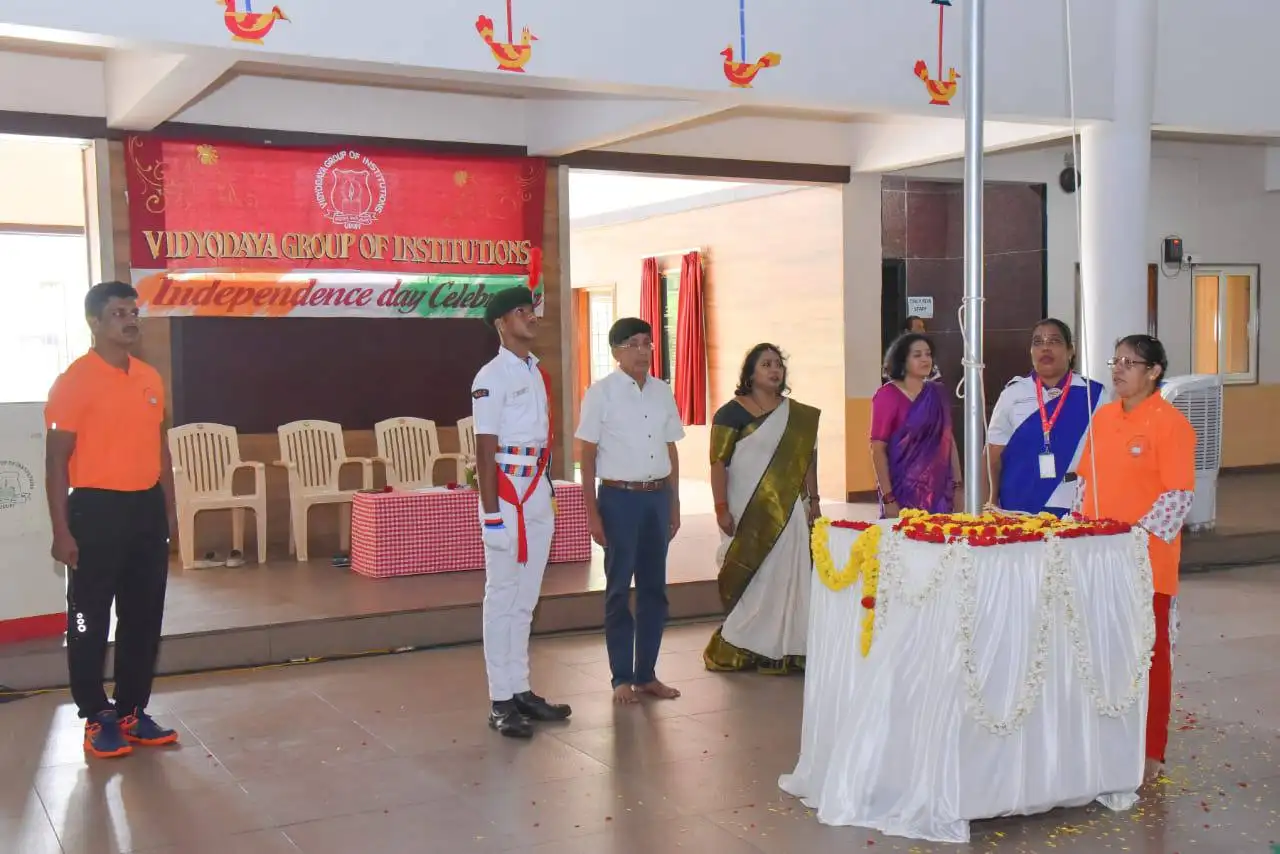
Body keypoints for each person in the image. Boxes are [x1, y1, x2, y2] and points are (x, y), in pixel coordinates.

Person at [44, 280, 180, 759]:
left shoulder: (149, 377)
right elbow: (56, 460)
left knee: (143, 616)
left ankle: (130, 711)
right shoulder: (74, 381)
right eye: (119, 312)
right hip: (95, 511)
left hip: (144, 509)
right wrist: (62, 530)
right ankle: (96, 714)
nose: (130, 319)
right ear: (95, 323)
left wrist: (169, 511)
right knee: (89, 618)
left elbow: (159, 448)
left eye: (133, 311)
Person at [1074, 335, 1195, 781]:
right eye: (1116, 361)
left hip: (1146, 565)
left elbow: (1177, 497)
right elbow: (1085, 487)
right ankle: (1102, 741)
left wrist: (1129, 543)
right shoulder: (1103, 418)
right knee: (1099, 652)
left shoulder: (1171, 424)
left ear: (1154, 372)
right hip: (1097, 561)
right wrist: (1076, 535)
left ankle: (1150, 750)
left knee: (1150, 656)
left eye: (1130, 362)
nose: (1119, 369)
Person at [471, 287, 571, 738]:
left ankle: (521, 690)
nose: (531, 317)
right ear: (501, 323)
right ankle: (499, 700)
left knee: (526, 599)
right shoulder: (491, 375)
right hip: (508, 493)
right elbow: (485, 448)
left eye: (531, 310)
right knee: (502, 596)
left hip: (536, 490)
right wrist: (491, 515)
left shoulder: (535, 372)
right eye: (521, 311)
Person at [576, 318, 684, 705]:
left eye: (648, 344)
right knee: (619, 589)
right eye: (635, 344)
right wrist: (591, 513)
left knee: (655, 589)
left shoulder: (661, 392)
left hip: (656, 496)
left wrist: (673, 503)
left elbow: (671, 449)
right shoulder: (600, 394)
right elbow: (586, 457)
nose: (643, 351)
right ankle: (621, 677)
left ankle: (647, 674)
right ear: (616, 351)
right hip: (619, 499)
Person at [703, 344, 819, 675]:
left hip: (791, 507)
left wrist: (815, 501)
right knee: (758, 574)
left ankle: (788, 646)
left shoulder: (797, 415)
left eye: (778, 364)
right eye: (766, 364)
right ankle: (745, 642)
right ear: (750, 372)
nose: (774, 370)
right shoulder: (731, 413)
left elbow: (807, 460)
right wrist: (721, 507)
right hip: (746, 508)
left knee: (790, 572)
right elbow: (718, 463)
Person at [985, 318, 1108, 516]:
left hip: (1073, 503)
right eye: (1038, 342)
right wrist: (991, 499)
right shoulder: (1013, 394)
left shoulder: (1093, 394)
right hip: (1017, 502)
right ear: (1031, 352)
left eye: (1054, 341)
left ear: (1070, 350)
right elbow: (994, 453)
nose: (1045, 348)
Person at [870, 333, 962, 516]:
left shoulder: (938, 393)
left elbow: (948, 440)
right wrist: (888, 498)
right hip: (901, 492)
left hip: (939, 493)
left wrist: (958, 487)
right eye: (917, 355)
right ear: (902, 360)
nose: (925, 359)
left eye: (928, 354)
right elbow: (877, 449)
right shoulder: (886, 396)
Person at [885, 316, 942, 382]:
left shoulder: (928, 356)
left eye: (923, 328)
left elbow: (936, 379)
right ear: (907, 332)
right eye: (919, 327)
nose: (923, 331)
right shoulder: (895, 356)